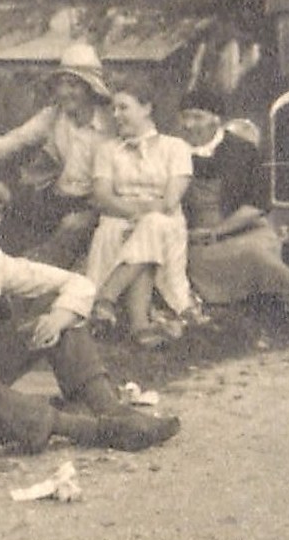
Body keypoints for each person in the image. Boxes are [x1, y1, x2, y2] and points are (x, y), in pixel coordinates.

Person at [0, 171, 181, 457]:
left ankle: (112, 411)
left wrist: (58, 317)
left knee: (59, 308)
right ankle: (91, 430)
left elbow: (78, 283)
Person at [174, 89, 289, 345]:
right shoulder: (173, 152)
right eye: (185, 117)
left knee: (256, 255)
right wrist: (191, 233)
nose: (189, 125)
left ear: (216, 119)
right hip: (195, 238)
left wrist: (217, 231)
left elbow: (257, 204)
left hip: (245, 228)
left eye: (197, 117)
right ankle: (266, 313)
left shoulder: (242, 150)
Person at [0, 42, 114, 269]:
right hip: (57, 197)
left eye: (74, 85)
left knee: (69, 231)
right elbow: (12, 141)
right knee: (2, 219)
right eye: (62, 85)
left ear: (91, 88)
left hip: (94, 204)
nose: (65, 93)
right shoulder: (54, 116)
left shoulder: (113, 123)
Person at [83, 75, 203, 349]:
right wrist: (134, 213)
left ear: (147, 108)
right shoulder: (107, 150)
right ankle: (139, 325)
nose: (116, 115)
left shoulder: (176, 148)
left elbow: (171, 199)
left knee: (153, 225)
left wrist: (142, 215)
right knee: (143, 229)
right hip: (118, 218)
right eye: (114, 109)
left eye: (123, 107)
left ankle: (106, 297)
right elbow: (102, 196)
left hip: (166, 220)